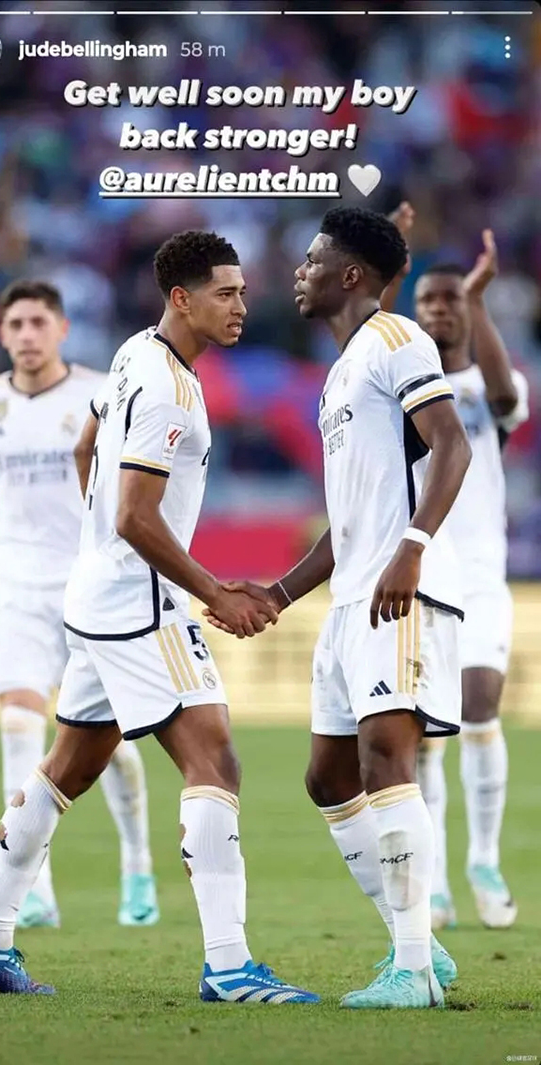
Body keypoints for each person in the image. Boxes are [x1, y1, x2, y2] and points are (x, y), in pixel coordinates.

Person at [0, 232, 319, 1005]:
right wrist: (214, 591)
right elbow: (134, 515)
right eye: (225, 292)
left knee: (66, 770)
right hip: (140, 605)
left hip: (96, 594)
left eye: (242, 291)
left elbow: (86, 448)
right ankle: (228, 964)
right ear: (182, 298)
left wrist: (100, 544)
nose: (242, 305)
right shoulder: (168, 391)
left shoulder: (132, 354)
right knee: (215, 761)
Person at [206, 207, 472, 1009]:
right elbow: (347, 519)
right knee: (328, 778)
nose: (299, 270)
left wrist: (412, 547)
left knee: (387, 759)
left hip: (400, 590)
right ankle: (419, 943)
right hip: (353, 596)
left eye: (314, 258)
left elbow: (452, 444)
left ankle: (413, 968)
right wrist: (281, 592)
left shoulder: (396, 339)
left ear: (350, 276)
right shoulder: (340, 373)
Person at [0, 280, 158, 932]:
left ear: (62, 329)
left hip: (86, 581)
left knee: (105, 738)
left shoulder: (98, 393)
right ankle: (34, 886)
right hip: (12, 582)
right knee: (19, 722)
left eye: (38, 322)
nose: (26, 334)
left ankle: (137, 863)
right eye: (15, 323)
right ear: (1, 333)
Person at [404, 226, 528, 930]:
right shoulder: (403, 389)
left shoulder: (485, 387)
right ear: (415, 307)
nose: (440, 308)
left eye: (452, 298)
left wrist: (481, 300)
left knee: (481, 707)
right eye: (430, 299)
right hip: (423, 574)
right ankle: (435, 880)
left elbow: (508, 397)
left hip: (481, 574)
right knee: (425, 731)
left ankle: (483, 859)